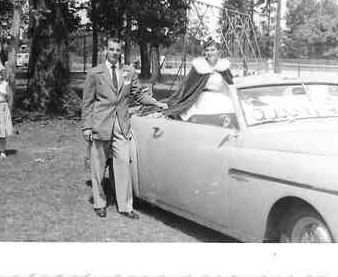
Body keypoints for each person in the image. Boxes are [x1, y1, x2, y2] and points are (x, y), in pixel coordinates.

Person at [82, 37, 167, 218]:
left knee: (123, 165)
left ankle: (125, 206)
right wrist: (86, 127)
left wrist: (156, 103)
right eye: (111, 49)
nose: (115, 53)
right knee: (98, 167)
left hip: (121, 126)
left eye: (118, 50)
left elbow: (138, 94)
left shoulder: (128, 72)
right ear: (106, 50)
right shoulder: (94, 73)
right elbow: (87, 103)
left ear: (121, 51)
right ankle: (100, 203)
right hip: (100, 125)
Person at [164, 37, 234, 120]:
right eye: (207, 50)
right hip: (203, 98)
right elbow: (187, 85)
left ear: (218, 51)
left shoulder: (223, 67)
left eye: (212, 50)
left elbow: (231, 84)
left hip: (220, 97)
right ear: (204, 52)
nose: (210, 52)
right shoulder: (199, 66)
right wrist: (177, 98)